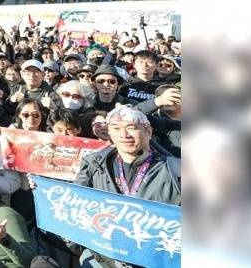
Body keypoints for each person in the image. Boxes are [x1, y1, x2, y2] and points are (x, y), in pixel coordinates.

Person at [72, 106, 181, 267]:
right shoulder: (93, 164)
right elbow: (74, 202)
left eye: (132, 128)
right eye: (116, 128)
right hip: (104, 258)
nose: (124, 135)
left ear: (148, 131)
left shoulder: (176, 170)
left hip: (155, 259)